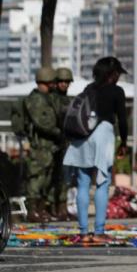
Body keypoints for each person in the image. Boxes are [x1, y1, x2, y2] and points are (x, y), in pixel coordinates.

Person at [62, 57, 129, 243]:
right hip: (103, 134)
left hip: (82, 136)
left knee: (83, 184)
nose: (118, 78)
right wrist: (124, 142)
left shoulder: (88, 89)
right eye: (117, 74)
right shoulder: (117, 91)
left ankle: (83, 232)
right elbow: (122, 120)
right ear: (112, 73)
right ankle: (99, 231)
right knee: (102, 183)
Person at [21, 67, 61, 222]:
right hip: (40, 147)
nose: (54, 85)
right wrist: (58, 131)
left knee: (47, 180)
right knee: (36, 179)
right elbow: (42, 123)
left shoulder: (48, 98)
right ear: (45, 81)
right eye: (51, 82)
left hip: (49, 147)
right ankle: (32, 211)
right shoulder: (35, 99)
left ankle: (41, 210)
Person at [49, 67, 74, 220]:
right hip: (52, 143)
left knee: (65, 177)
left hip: (66, 143)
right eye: (61, 81)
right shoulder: (51, 99)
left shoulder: (69, 101)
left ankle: (62, 208)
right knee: (51, 178)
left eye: (67, 81)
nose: (64, 84)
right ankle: (51, 207)